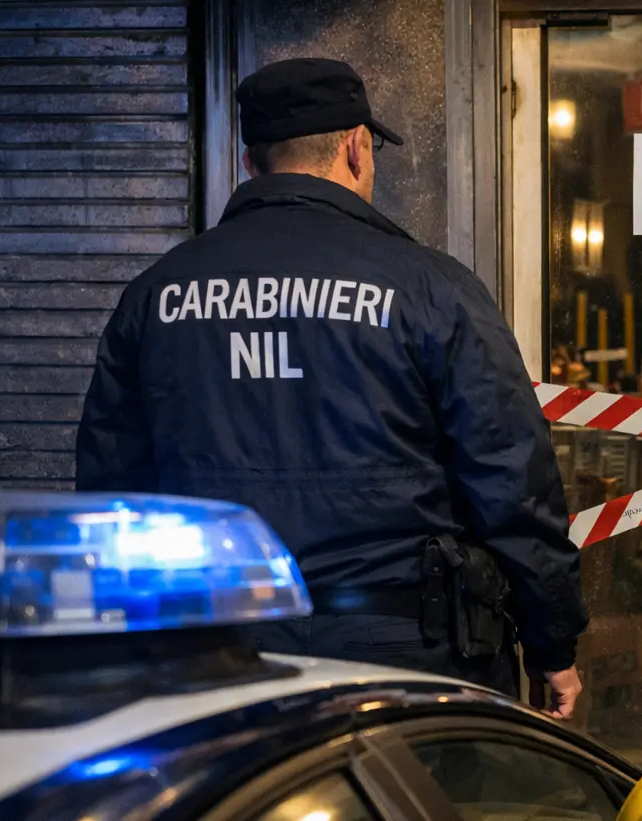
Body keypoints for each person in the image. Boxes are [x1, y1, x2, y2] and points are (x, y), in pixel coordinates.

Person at [75, 58, 586, 718]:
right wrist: (553, 641)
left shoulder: (155, 296)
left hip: (211, 656)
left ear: (251, 160)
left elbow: (110, 491)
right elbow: (513, 482)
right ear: (356, 145)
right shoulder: (431, 289)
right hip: (405, 656)